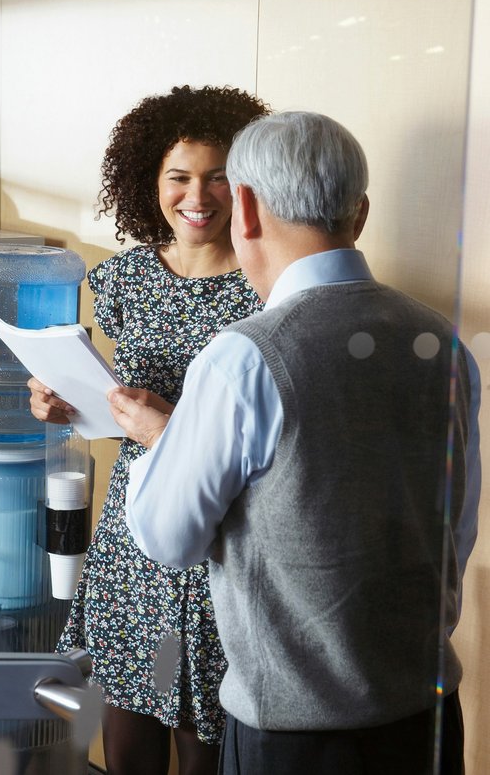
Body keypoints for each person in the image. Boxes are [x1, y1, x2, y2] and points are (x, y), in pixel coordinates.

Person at [110, 110, 481, 775]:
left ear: (243, 207)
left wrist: (160, 441)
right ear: (359, 212)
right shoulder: (444, 344)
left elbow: (167, 537)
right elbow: (456, 532)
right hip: (427, 720)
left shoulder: (244, 359)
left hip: (295, 737)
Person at [28, 84, 269, 775]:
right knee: (125, 744)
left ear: (246, 182)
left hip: (220, 543)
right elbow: (121, 411)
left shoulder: (266, 285)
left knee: (205, 749)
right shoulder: (123, 279)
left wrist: (171, 426)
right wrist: (66, 404)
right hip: (132, 543)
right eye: (180, 176)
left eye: (219, 175)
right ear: (150, 181)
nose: (199, 194)